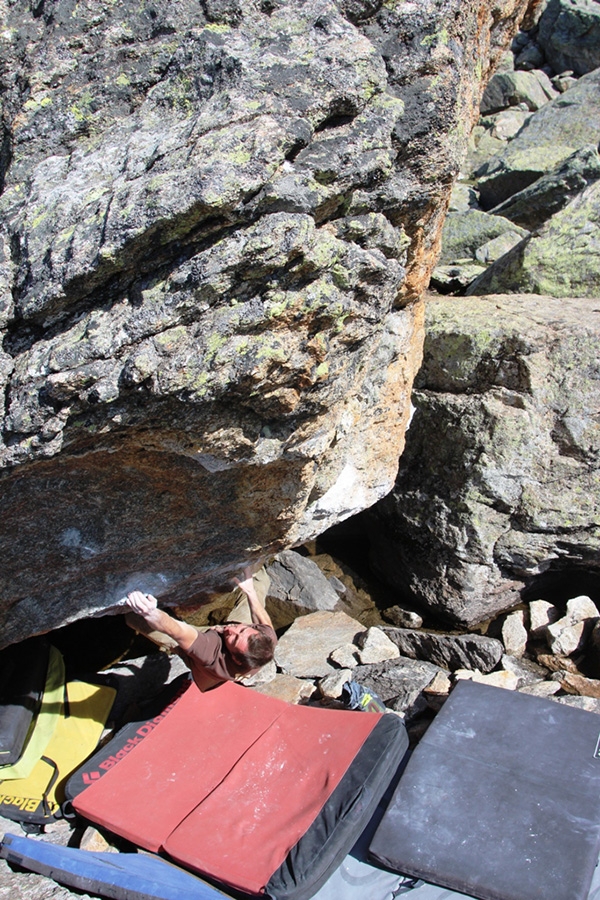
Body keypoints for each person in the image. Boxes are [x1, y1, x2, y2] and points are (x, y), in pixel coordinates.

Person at [124, 567, 277, 692]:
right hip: (236, 649)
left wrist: (150, 612)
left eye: (235, 638)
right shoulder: (265, 640)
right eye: (243, 630)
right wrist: (250, 591)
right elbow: (264, 623)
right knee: (259, 581)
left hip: (204, 665)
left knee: (135, 618)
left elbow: (176, 630)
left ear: (235, 658)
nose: (232, 629)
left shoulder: (210, 654)